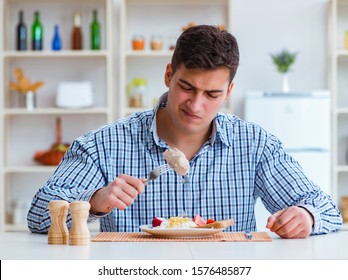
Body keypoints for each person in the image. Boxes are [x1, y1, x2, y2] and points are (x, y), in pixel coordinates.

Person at [28, 25, 342, 238]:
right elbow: (39, 216)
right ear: (169, 75)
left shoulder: (255, 145)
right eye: (187, 87)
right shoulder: (104, 144)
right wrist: (95, 201)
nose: (196, 104)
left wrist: (306, 216)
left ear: (229, 91)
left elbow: (326, 208)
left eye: (212, 95)